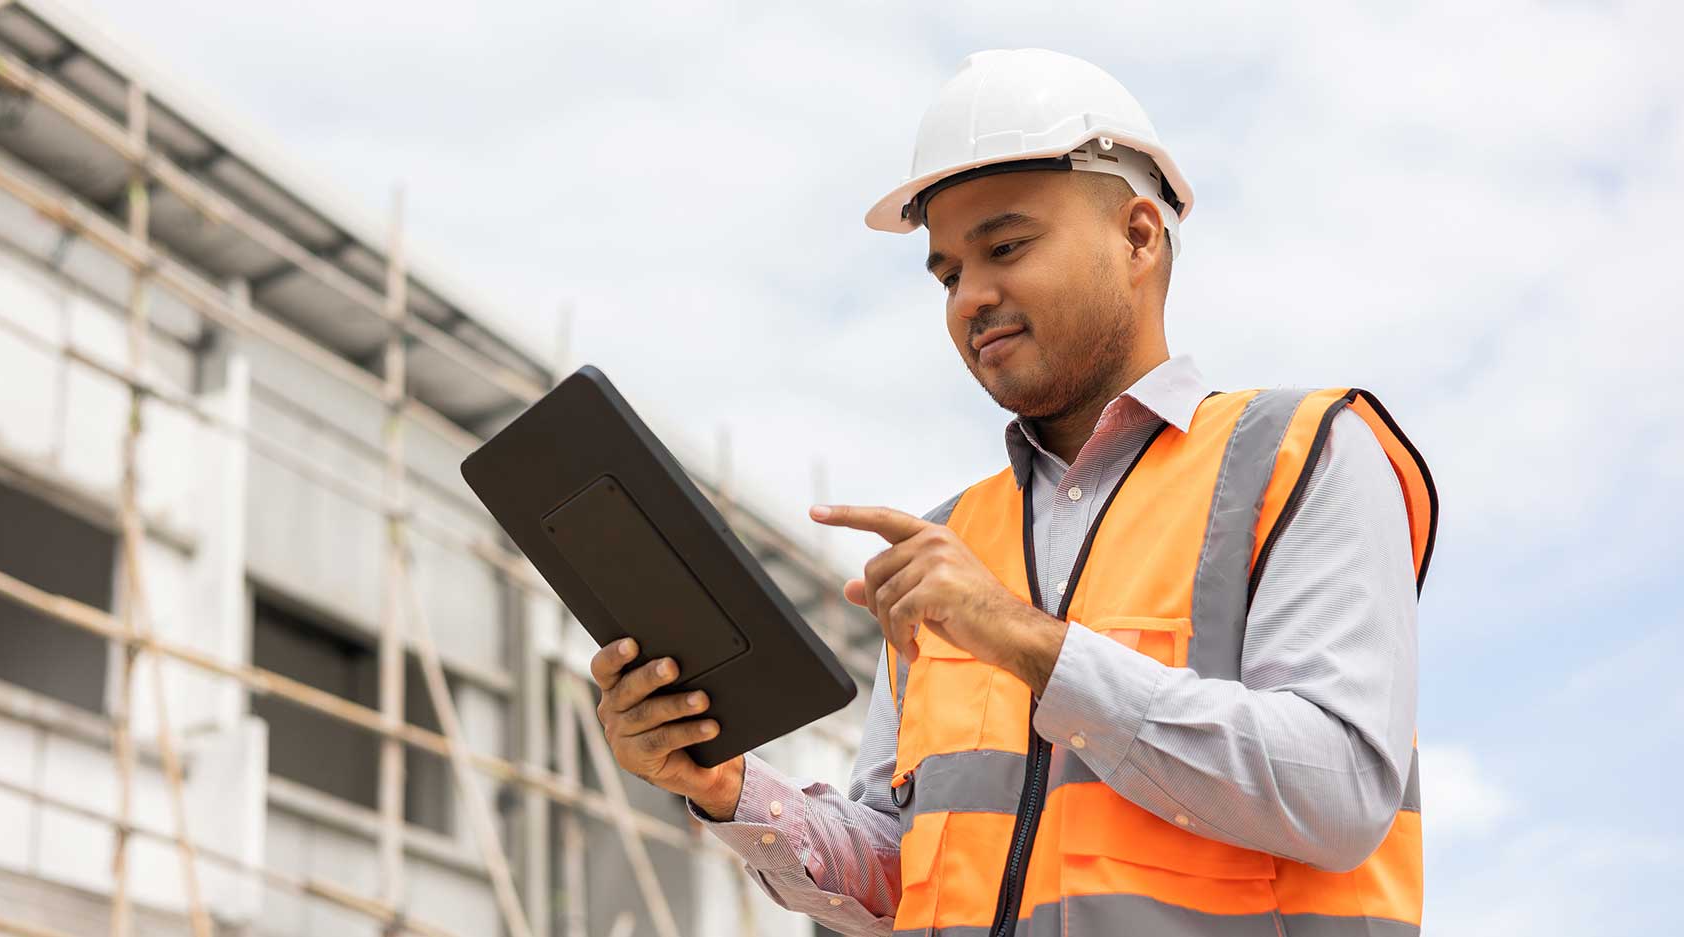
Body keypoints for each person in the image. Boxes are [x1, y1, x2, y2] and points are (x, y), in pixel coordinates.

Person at [588, 49, 1435, 937]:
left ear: (1139, 236)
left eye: (1006, 246)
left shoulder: (1301, 456)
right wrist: (725, 786)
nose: (971, 298)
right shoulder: (954, 539)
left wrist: (1026, 641)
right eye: (949, 273)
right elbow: (903, 865)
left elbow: (1337, 793)